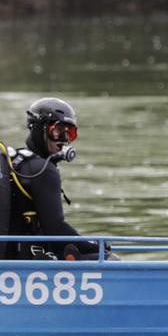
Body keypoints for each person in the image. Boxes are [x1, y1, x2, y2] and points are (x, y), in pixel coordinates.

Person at [10, 96, 99, 259]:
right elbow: (56, 229)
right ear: (39, 128)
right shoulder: (43, 170)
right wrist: (96, 246)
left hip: (10, 256)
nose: (64, 140)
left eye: (70, 133)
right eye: (58, 130)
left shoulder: (18, 162)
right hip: (25, 262)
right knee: (107, 259)